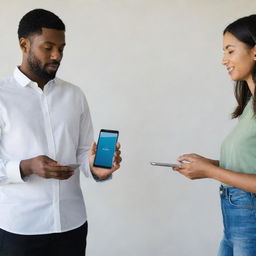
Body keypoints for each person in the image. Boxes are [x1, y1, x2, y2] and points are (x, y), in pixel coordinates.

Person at [0, 9, 121, 256]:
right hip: (20, 230)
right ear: (24, 44)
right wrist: (27, 166)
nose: (57, 55)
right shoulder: (2, 97)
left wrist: (97, 169)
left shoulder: (74, 95)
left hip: (72, 225)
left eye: (62, 48)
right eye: (48, 47)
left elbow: (84, 152)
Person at [173, 14, 256, 256]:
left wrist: (210, 171)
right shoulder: (250, 105)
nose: (224, 60)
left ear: (254, 51)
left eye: (230, 51)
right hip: (236, 218)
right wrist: (208, 164)